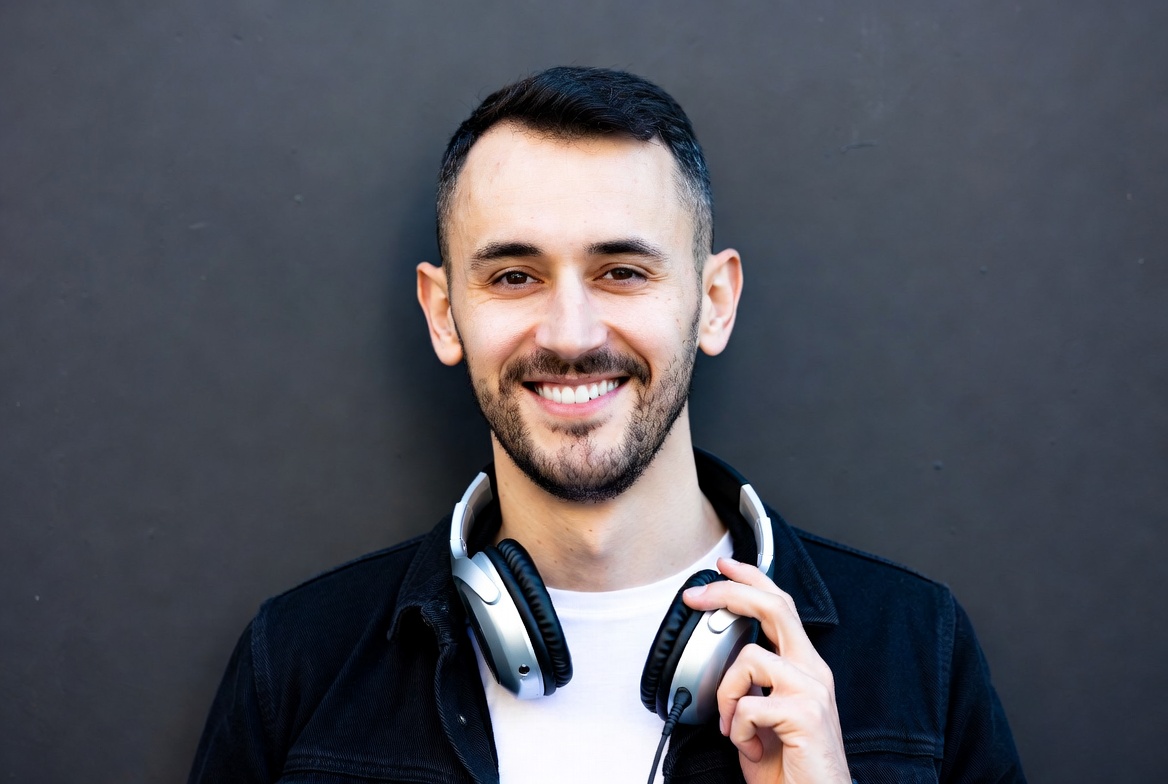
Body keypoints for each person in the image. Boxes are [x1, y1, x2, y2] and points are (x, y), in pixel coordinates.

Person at [189, 66, 1024, 784]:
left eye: (622, 271)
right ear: (444, 315)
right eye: (514, 275)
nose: (572, 334)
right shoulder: (296, 668)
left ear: (713, 301)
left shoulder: (917, 653)